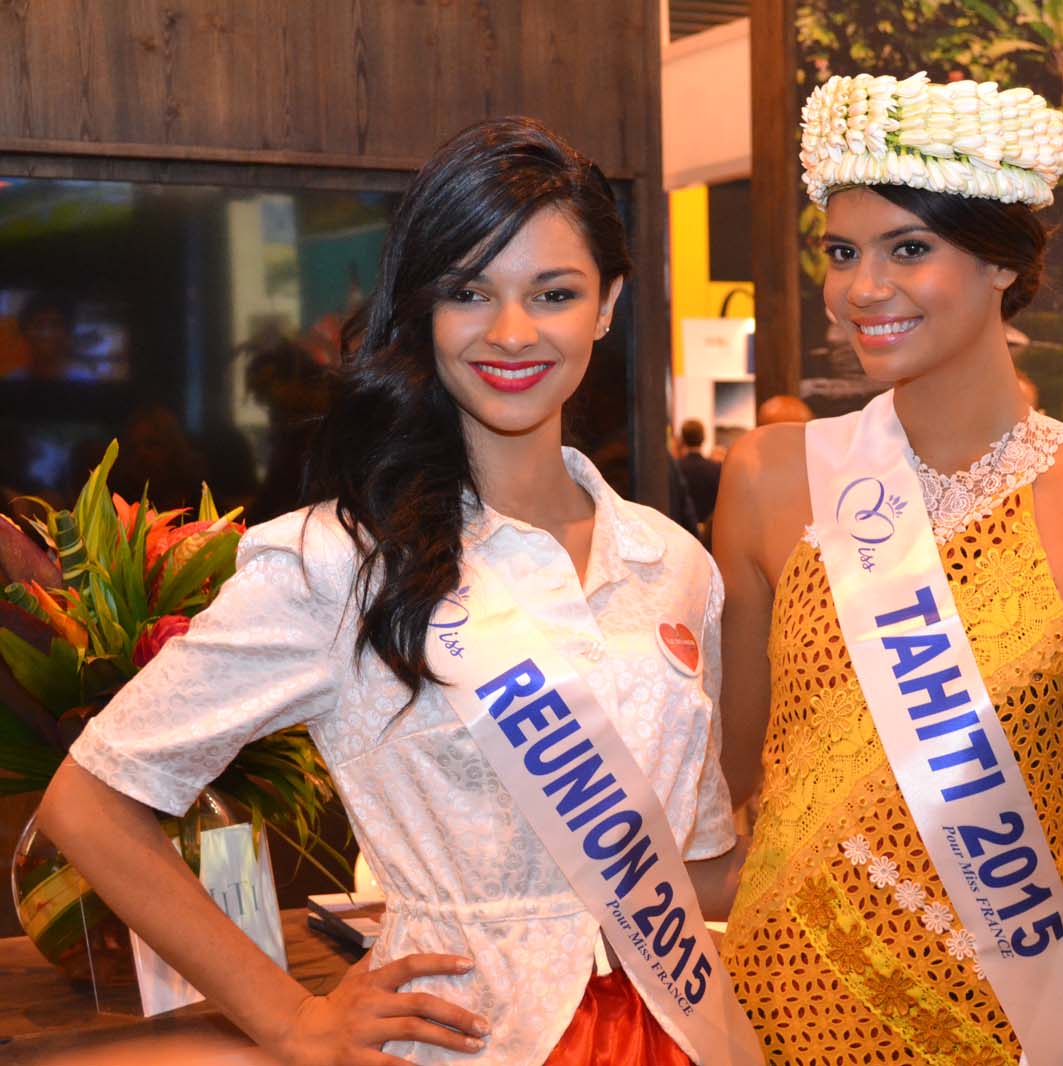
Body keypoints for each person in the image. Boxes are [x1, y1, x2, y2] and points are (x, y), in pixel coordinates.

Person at [36, 117, 757, 1066]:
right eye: (468, 291)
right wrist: (293, 1019)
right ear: (421, 310)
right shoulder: (335, 564)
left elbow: (697, 874)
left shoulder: (673, 563)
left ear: (609, 303)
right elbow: (89, 805)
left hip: (684, 1031)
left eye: (554, 293)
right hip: (472, 1042)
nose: (511, 332)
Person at [714, 71, 1063, 1064]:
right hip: (775, 1000)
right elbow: (727, 779)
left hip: (1001, 1010)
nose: (861, 289)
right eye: (842, 252)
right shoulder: (768, 478)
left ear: (1002, 265)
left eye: (907, 248)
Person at [675, 418, 722, 529]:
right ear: (704, 438)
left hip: (683, 530)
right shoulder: (716, 469)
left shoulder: (677, 468)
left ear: (683, 439)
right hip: (710, 530)